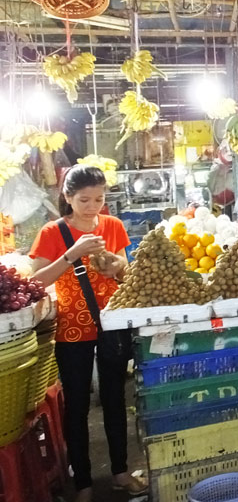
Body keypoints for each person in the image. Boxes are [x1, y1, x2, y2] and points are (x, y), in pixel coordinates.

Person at [30, 166, 147, 501]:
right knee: (78, 406)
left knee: (114, 400)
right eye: (84, 199)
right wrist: (72, 255)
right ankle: (82, 483)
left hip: (110, 325)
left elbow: (125, 276)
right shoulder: (52, 232)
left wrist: (117, 267)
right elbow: (36, 282)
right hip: (72, 330)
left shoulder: (113, 226)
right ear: (67, 197)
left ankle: (121, 473)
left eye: (99, 198)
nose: (93, 205)